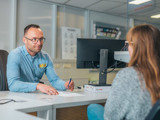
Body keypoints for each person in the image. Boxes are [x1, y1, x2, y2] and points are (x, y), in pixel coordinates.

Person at [87, 24, 160, 120]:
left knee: (93, 108)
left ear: (137, 47)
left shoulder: (129, 74)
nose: (127, 48)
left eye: (129, 44)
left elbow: (110, 116)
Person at [7, 24, 74, 95]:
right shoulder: (15, 55)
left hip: (35, 95)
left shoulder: (45, 57)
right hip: (17, 96)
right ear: (24, 40)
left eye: (41, 39)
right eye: (34, 39)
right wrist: (38, 86)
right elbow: (13, 85)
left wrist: (65, 85)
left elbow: (54, 80)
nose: (39, 43)